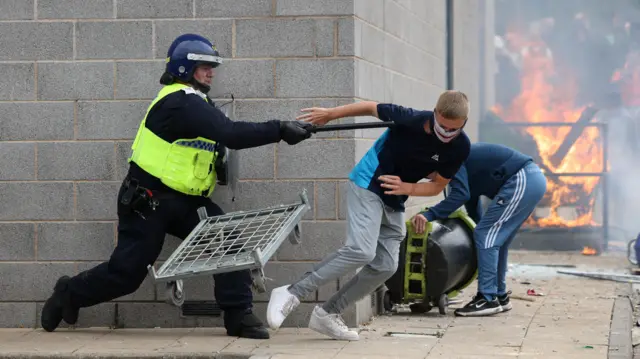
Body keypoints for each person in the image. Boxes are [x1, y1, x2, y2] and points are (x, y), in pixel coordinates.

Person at [40, 33, 313, 339]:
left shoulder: (197, 101)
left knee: (230, 241)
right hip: (149, 201)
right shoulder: (179, 102)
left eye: (212, 66)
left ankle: (238, 317)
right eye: (205, 66)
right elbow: (231, 133)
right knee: (126, 276)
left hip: (186, 202)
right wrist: (279, 129)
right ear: (185, 68)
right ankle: (68, 293)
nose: (212, 72)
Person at [265, 91, 472, 340]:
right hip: (368, 183)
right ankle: (292, 292)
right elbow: (371, 108)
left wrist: (408, 188)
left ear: (463, 124)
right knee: (361, 250)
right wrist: (330, 115)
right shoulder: (410, 119)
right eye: (443, 127)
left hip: (395, 198)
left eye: (454, 130)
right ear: (436, 114)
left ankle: (328, 314)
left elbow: (438, 186)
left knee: (386, 266)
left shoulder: (460, 146)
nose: (447, 134)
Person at [411, 142, 547, 317]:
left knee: (487, 236)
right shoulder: (455, 168)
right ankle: (499, 295)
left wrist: (429, 215)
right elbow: (471, 202)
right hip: (530, 180)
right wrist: (478, 230)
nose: (431, 181)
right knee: (496, 240)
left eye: (430, 176)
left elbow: (460, 196)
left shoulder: (449, 161)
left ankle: (487, 298)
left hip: (523, 178)